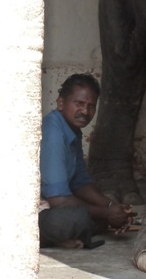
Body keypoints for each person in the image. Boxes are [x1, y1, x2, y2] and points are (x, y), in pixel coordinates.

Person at [39, 73, 133, 249]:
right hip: (31, 213)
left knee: (90, 216)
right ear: (61, 103)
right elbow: (59, 200)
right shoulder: (53, 133)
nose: (85, 111)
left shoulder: (72, 130)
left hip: (51, 207)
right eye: (79, 104)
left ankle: (64, 236)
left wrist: (113, 207)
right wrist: (106, 214)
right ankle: (47, 238)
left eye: (91, 106)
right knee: (72, 220)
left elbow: (80, 183)